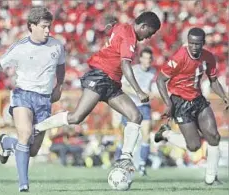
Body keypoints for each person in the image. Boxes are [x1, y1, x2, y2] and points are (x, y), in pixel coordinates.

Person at [35, 11, 161, 172]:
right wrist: (138, 91)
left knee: (135, 116)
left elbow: (113, 25)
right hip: (100, 77)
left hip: (112, 83)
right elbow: (125, 65)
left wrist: (109, 22)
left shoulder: (123, 26)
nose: (149, 37)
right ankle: (37, 128)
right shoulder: (130, 37)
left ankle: (125, 158)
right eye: (150, 33)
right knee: (76, 117)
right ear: (143, 26)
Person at [0, 7, 65, 192]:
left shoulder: (56, 46)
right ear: (32, 26)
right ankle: (23, 184)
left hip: (44, 100)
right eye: (44, 26)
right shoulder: (20, 47)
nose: (48, 30)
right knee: (26, 134)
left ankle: (6, 143)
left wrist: (59, 86)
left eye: (49, 26)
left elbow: (61, 66)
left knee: (33, 150)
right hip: (23, 95)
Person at [155, 27, 229, 185]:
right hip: (180, 103)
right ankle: (166, 134)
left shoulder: (208, 57)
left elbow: (213, 80)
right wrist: (168, 103)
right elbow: (160, 80)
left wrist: (224, 97)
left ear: (203, 43)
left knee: (214, 137)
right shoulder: (179, 57)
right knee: (194, 146)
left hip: (198, 100)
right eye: (191, 43)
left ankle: (211, 178)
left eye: (197, 44)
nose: (194, 47)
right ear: (187, 42)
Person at [121, 47, 157, 176]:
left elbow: (154, 88)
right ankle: (122, 162)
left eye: (149, 58)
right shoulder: (134, 70)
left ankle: (142, 164)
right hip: (130, 105)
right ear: (141, 58)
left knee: (146, 134)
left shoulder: (153, 72)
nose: (147, 61)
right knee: (126, 136)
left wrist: (152, 94)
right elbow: (123, 86)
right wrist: (138, 93)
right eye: (145, 58)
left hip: (145, 106)